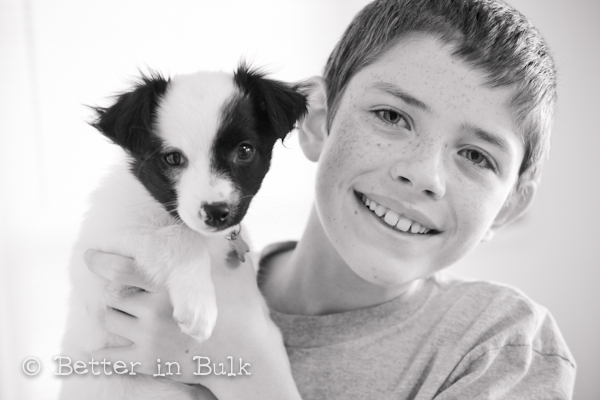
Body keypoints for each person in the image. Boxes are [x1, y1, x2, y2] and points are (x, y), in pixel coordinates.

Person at [84, 0, 576, 398]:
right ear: (317, 121)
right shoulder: (159, 297)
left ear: (509, 206)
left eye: (475, 154)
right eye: (391, 116)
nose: (422, 175)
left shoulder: (502, 347)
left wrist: (248, 369)